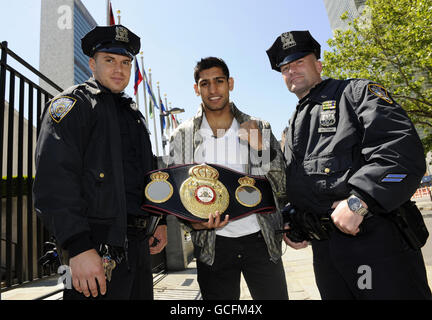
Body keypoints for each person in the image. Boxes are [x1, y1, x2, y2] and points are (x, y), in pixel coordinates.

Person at [266, 30, 432, 299]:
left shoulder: (356, 94)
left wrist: (361, 200)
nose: (291, 71)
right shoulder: (295, 122)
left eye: (299, 62)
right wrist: (294, 218)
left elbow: (402, 153)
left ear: (318, 65)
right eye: (285, 68)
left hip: (374, 243)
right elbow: (305, 184)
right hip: (326, 252)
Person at [33, 25, 167, 300]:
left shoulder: (134, 116)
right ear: (92, 63)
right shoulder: (73, 105)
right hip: (94, 247)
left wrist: (160, 220)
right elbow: (54, 180)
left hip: (138, 247)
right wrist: (78, 247)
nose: (119, 69)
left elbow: (148, 175)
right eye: (110, 60)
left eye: (126, 62)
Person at [167, 57, 288, 300]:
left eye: (219, 81)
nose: (213, 90)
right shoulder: (182, 136)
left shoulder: (258, 126)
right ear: (196, 89)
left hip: (261, 241)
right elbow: (175, 196)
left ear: (230, 83)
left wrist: (262, 149)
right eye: (205, 83)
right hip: (213, 247)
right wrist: (193, 223)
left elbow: (282, 185)